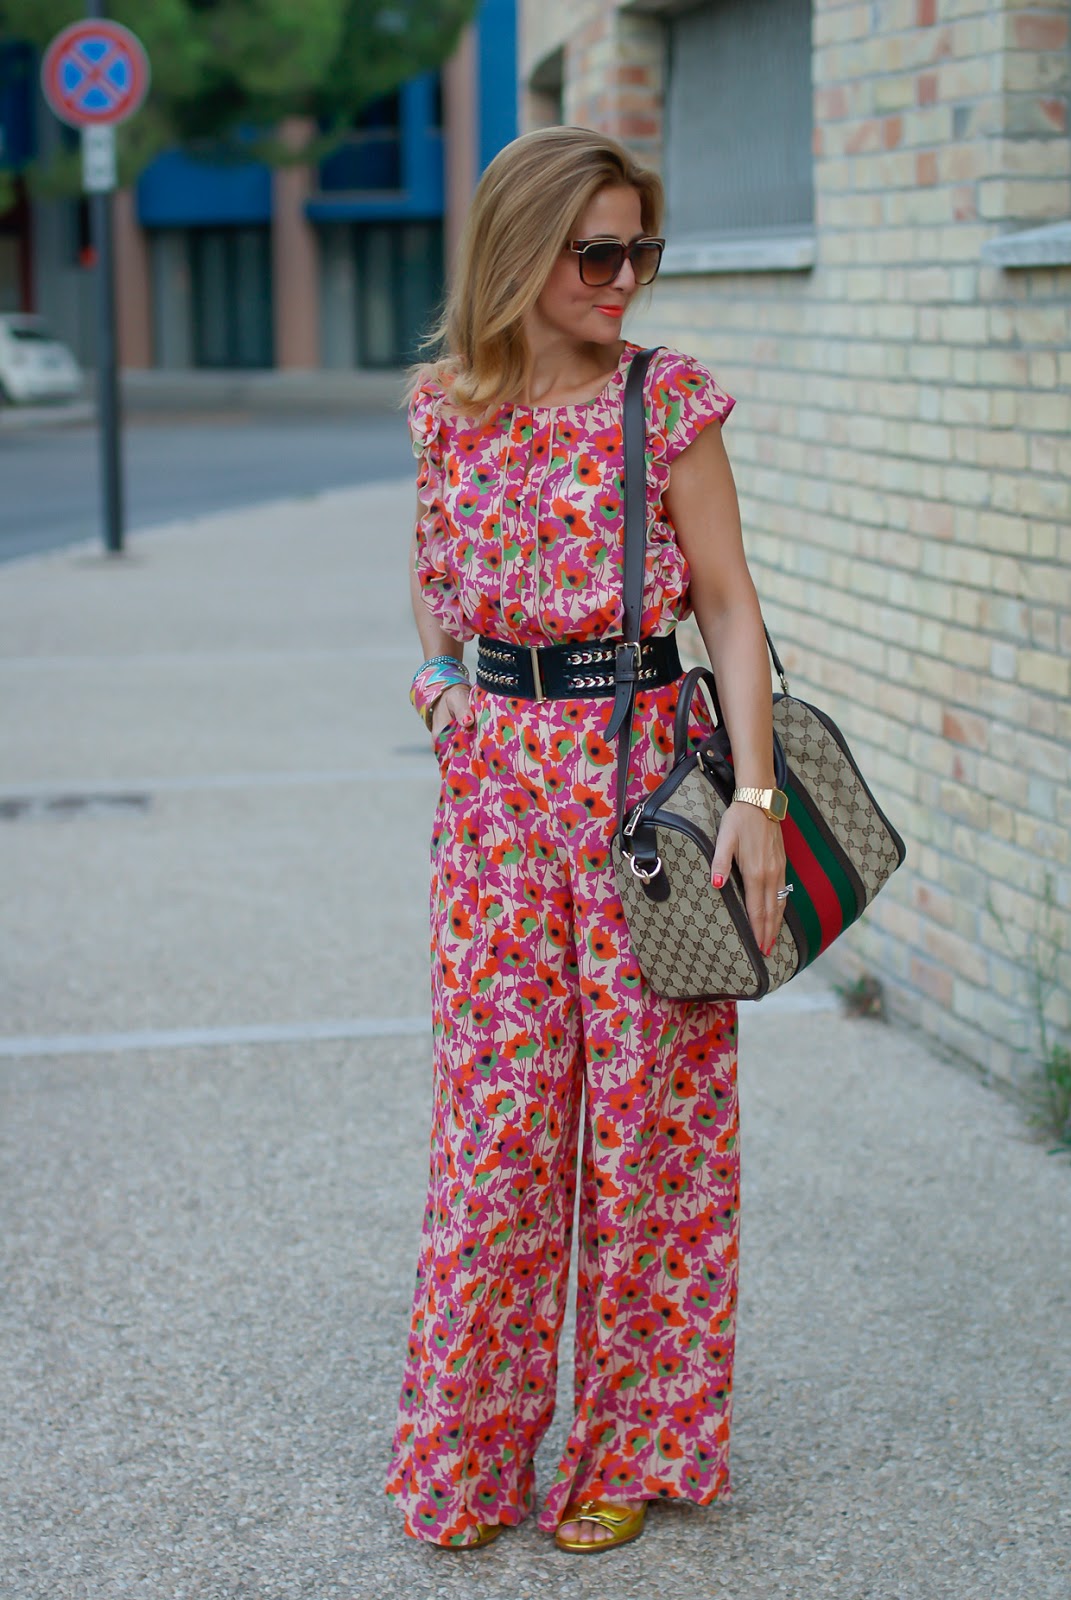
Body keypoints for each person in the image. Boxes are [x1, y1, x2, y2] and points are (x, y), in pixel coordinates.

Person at [386, 125, 787, 1554]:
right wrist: (443, 695)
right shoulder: (444, 407)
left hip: (643, 794)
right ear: (518, 252)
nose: (625, 279)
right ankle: (470, 1456)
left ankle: (632, 1447)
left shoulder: (664, 403)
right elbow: (432, 579)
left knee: (651, 1138)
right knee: (494, 1140)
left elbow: (727, 606)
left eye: (641, 252)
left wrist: (755, 801)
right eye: (597, 253)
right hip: (493, 806)